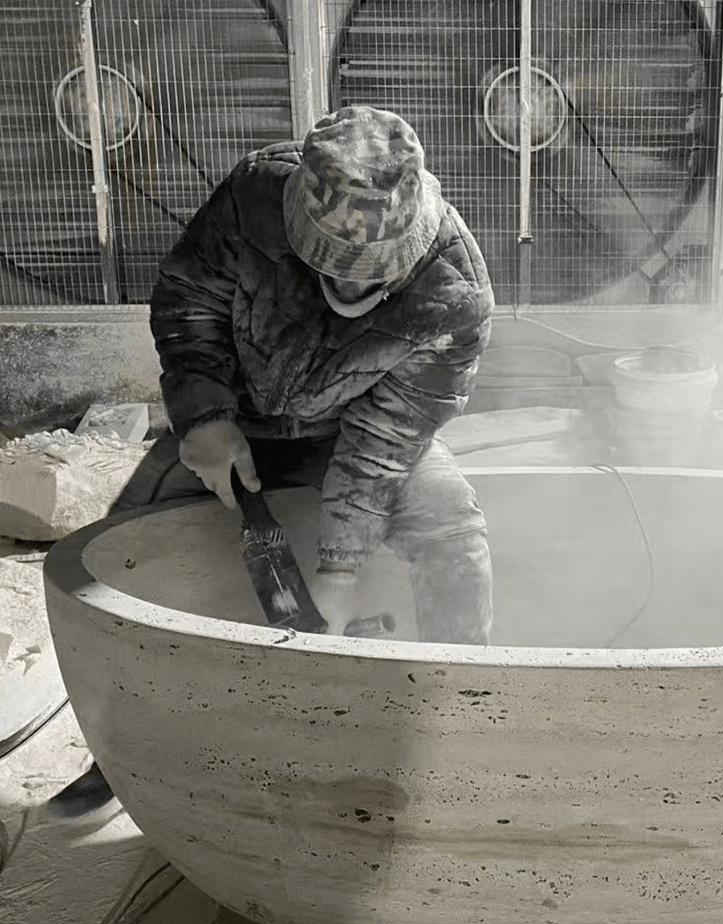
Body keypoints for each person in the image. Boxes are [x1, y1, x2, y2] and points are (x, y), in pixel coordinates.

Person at [50, 105, 494, 817]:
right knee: (115, 556)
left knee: (452, 528)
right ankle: (121, 756)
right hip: (238, 417)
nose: (351, 289)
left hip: (355, 433)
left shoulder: (453, 293)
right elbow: (188, 300)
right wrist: (204, 415)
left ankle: (468, 727)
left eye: (371, 276)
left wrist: (339, 569)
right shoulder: (255, 196)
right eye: (333, 267)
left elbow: (387, 442)